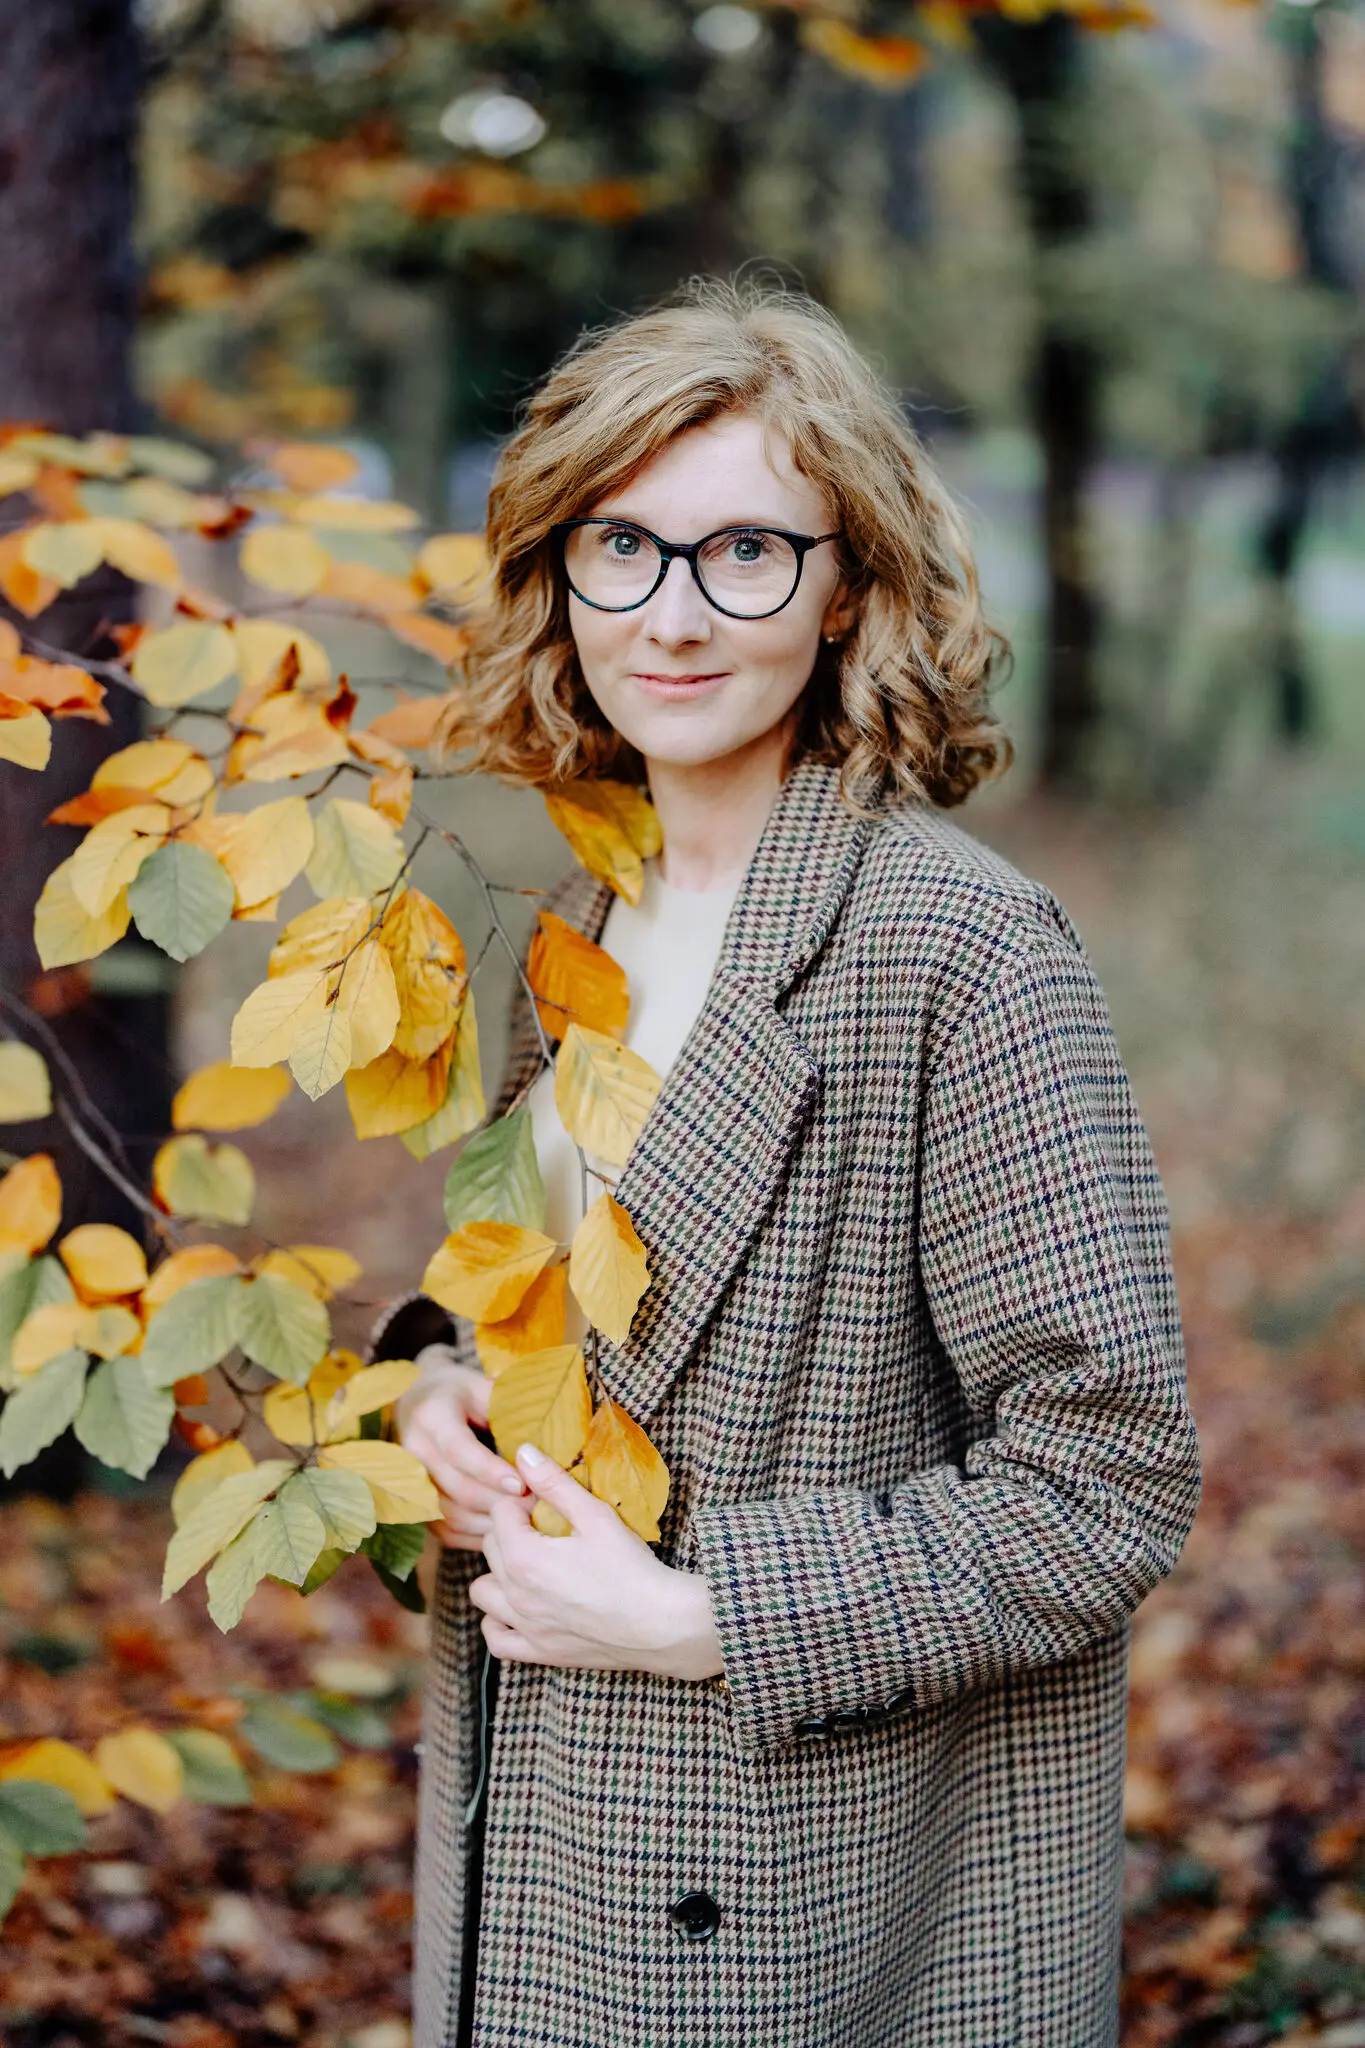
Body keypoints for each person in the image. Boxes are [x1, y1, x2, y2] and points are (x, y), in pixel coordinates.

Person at [379, 278, 1201, 2048]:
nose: (673, 616)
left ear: (848, 589)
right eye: (624, 547)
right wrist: (440, 1389)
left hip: (807, 1894)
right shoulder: (571, 912)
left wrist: (701, 1617)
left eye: (745, 551)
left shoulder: (962, 953)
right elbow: (554, 1301)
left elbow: (1108, 1480)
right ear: (559, 573)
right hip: (541, 1842)